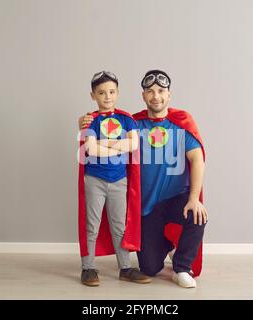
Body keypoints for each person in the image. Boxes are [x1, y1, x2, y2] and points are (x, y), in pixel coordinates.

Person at [79, 70, 208, 288]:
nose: (156, 96)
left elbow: (197, 159)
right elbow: (103, 129)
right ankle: (168, 245)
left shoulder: (181, 123)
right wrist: (83, 121)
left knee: (197, 215)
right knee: (149, 267)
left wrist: (194, 198)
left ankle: (182, 267)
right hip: (147, 207)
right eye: (150, 91)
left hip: (177, 197)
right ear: (143, 96)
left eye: (161, 91)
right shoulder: (133, 123)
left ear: (169, 95)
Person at [77, 71, 151, 286]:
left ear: (117, 92)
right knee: (92, 225)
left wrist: (105, 145)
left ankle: (125, 268)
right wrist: (118, 147)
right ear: (93, 95)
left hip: (119, 180)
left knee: (119, 225)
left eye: (111, 91)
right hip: (95, 180)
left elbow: (133, 145)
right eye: (101, 93)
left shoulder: (126, 119)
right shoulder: (90, 120)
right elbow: (91, 149)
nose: (107, 97)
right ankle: (88, 267)